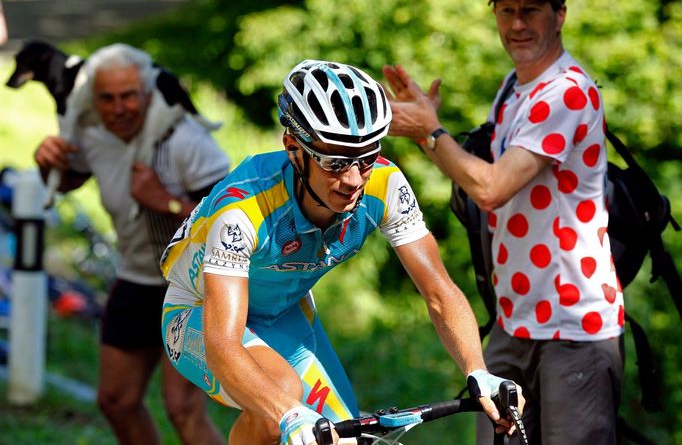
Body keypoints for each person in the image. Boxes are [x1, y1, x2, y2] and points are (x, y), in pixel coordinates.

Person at [159, 59, 523, 445]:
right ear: (293, 149)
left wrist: (478, 369)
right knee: (280, 400)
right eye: (335, 162)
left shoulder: (384, 184)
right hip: (199, 315)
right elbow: (223, 345)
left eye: (366, 159)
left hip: (285, 314)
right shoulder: (243, 210)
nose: (352, 179)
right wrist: (288, 414)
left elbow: (438, 291)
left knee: (344, 440)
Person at [383, 0, 624, 444]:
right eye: (506, 9)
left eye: (531, 10)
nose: (517, 23)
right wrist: (429, 127)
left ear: (560, 15)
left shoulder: (567, 92)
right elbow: (482, 183)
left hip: (573, 325)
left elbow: (491, 187)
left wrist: (429, 133)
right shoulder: (515, 88)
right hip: (516, 321)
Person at [33, 44, 229, 445]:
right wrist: (47, 163)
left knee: (183, 407)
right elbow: (71, 179)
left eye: (128, 96)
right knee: (116, 401)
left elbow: (231, 224)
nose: (119, 108)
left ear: (148, 93)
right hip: (138, 275)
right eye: (107, 98)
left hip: (194, 286)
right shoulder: (93, 134)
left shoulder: (185, 140)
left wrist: (166, 201)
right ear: (93, 99)